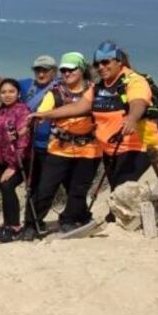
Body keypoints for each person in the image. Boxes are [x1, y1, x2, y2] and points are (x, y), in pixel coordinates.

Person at [31, 41, 158, 196]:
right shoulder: (99, 87)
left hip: (137, 149)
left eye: (106, 62)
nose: (101, 67)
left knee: (123, 194)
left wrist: (132, 118)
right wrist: (45, 115)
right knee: (117, 193)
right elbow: (78, 107)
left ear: (119, 61)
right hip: (111, 151)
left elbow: (139, 101)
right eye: (97, 64)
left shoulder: (134, 80)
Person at [29, 52, 102, 234]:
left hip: (89, 149)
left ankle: (69, 219)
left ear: (82, 70)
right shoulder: (54, 94)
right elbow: (43, 111)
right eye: (63, 70)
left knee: (78, 189)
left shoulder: (96, 91)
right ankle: (32, 224)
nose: (66, 73)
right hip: (59, 148)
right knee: (45, 189)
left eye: (71, 69)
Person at [0, 51, 58, 198]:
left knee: (45, 186)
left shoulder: (60, 88)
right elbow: (0, 85)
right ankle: (31, 221)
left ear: (54, 71)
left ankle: (75, 215)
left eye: (45, 70)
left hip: (50, 147)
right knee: (34, 188)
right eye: (38, 70)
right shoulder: (27, 85)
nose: (41, 74)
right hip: (29, 148)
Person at [0, 80, 32, 242]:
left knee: (7, 186)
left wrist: (13, 166)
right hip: (0, 161)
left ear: (18, 93)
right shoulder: (1, 111)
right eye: (3, 92)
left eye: (11, 91)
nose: (7, 95)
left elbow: (23, 141)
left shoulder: (22, 111)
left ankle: (14, 226)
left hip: (19, 162)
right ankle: (7, 225)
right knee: (4, 190)